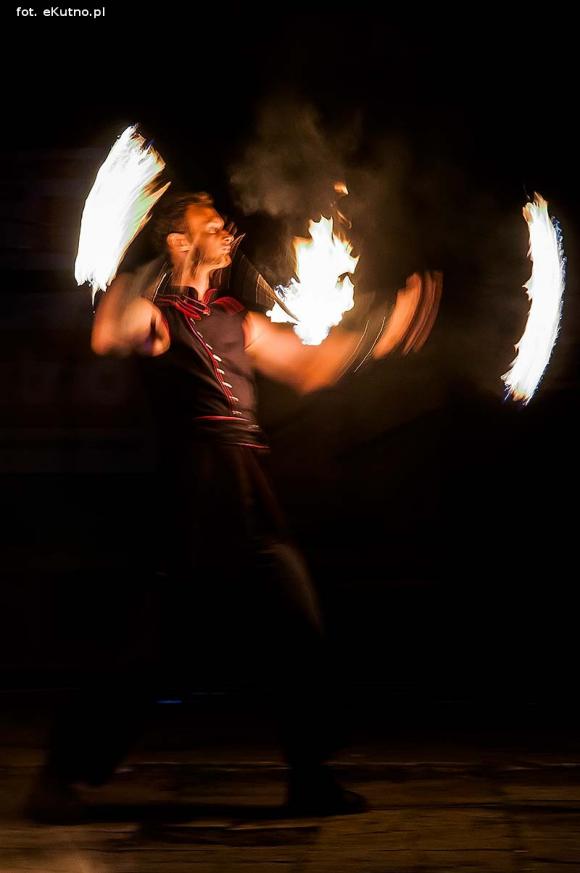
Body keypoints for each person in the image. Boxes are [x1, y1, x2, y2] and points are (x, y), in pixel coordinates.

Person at [26, 191, 441, 823]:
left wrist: (383, 332)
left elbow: (309, 368)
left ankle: (310, 776)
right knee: (155, 643)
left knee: (295, 617)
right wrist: (129, 253)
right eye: (204, 213)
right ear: (176, 239)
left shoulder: (235, 316)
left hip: (248, 483)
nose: (224, 222)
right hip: (197, 486)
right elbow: (109, 332)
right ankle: (61, 774)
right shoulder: (157, 315)